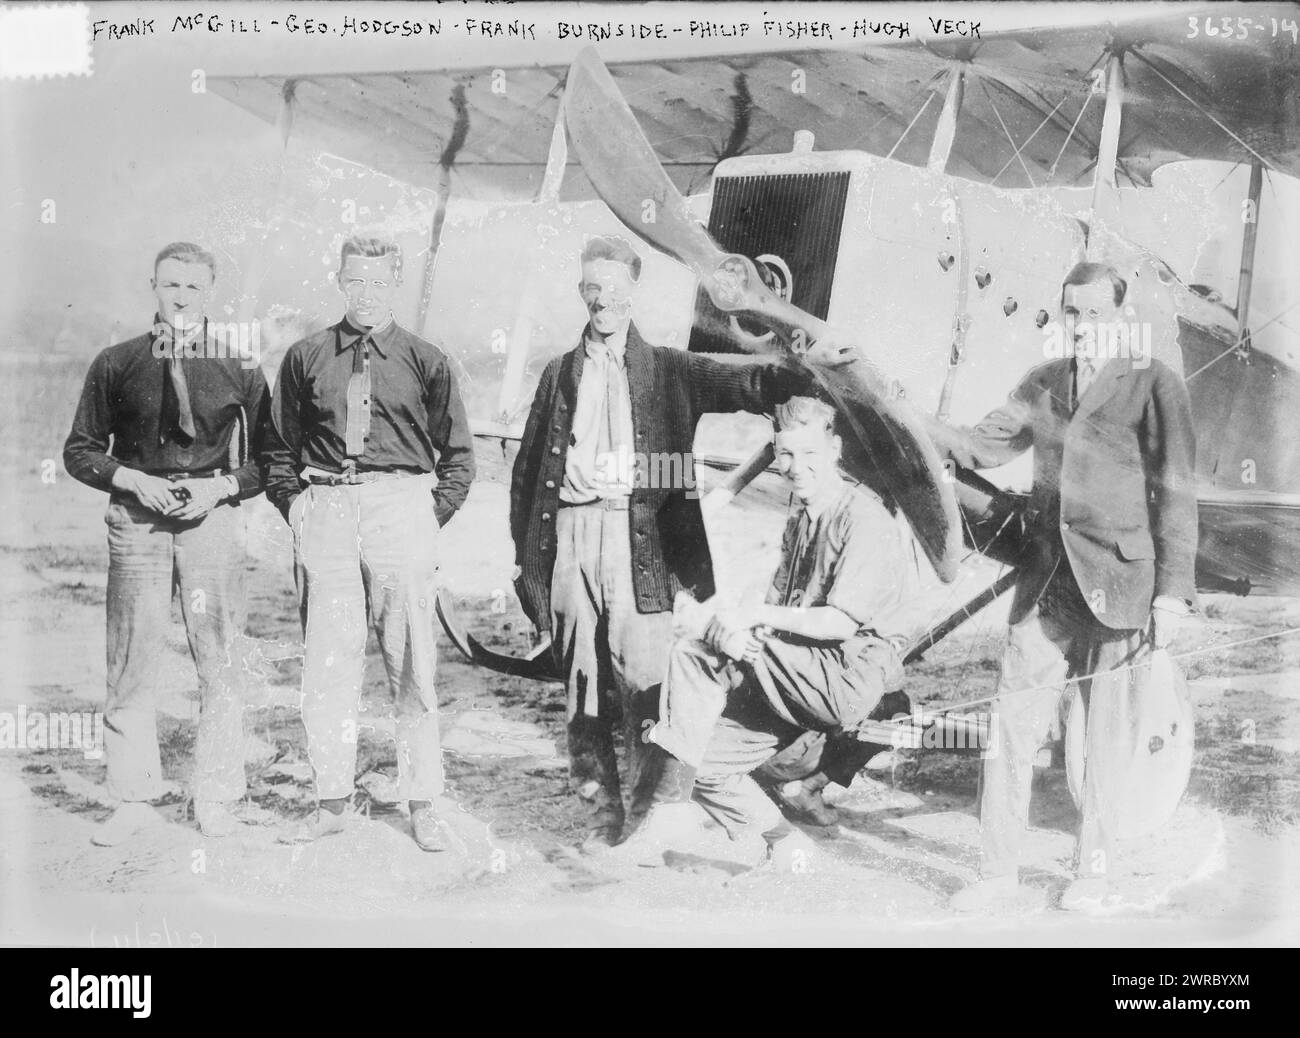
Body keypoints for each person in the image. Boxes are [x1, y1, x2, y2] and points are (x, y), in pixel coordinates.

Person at [510, 235, 808, 852]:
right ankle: (601, 813)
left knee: (645, 685)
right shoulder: (558, 373)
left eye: (616, 290)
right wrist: (532, 567)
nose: (604, 301)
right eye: (593, 288)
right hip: (571, 536)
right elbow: (526, 479)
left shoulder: (673, 368)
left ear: (633, 294)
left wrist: (796, 347)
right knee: (582, 689)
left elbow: (754, 384)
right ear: (581, 292)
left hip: (637, 541)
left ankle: (650, 815)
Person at [924, 261, 1198, 911]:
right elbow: (979, 447)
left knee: (1103, 736)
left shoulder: (1154, 383)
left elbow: (1178, 493)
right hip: (1047, 583)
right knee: (1011, 725)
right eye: (1072, 313)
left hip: (1120, 583)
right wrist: (898, 413)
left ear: (1121, 317)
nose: (1082, 326)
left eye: (1096, 314)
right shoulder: (1042, 384)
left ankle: (1094, 873)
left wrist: (1171, 592)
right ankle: (997, 873)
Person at [611, 394, 910, 866]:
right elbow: (777, 608)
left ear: (834, 451)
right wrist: (745, 627)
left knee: (696, 650)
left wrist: (745, 622)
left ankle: (667, 808)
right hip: (795, 671)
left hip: (846, 678)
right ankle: (788, 844)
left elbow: (838, 622)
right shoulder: (800, 518)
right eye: (784, 454)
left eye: (809, 454)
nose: (795, 467)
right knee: (705, 767)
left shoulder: (862, 517)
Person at [259, 234, 476, 851]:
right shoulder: (306, 356)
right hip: (325, 504)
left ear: (395, 284)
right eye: (357, 282)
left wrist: (425, 517)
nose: (368, 293)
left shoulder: (425, 359)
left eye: (380, 283)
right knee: (329, 661)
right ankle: (330, 800)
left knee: (412, 665)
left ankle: (423, 800)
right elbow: (278, 446)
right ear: (340, 281)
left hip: (399, 506)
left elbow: (458, 456)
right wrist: (297, 506)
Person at [63, 241, 271, 845]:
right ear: (152, 285)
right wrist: (130, 479)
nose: (181, 297)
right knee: (133, 658)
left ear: (211, 293)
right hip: (138, 523)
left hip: (210, 521)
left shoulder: (241, 365)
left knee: (220, 658)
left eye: (194, 288)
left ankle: (217, 796)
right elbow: (79, 451)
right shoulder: (115, 362)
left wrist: (221, 489)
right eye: (170, 285)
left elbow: (272, 460)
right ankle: (131, 797)